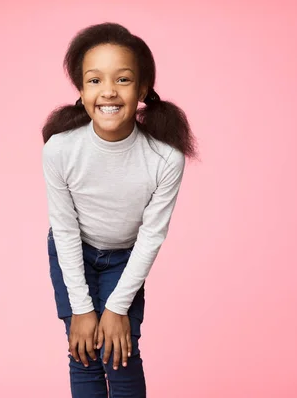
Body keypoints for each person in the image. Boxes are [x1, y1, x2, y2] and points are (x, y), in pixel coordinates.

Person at [41, 22, 197, 398]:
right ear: (80, 90)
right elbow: (63, 230)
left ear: (143, 88)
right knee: (84, 353)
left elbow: (151, 236)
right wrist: (81, 309)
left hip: (126, 260)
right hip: (73, 253)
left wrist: (117, 306)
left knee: (119, 352)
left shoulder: (165, 158)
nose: (108, 91)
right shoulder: (60, 150)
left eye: (123, 80)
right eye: (94, 81)